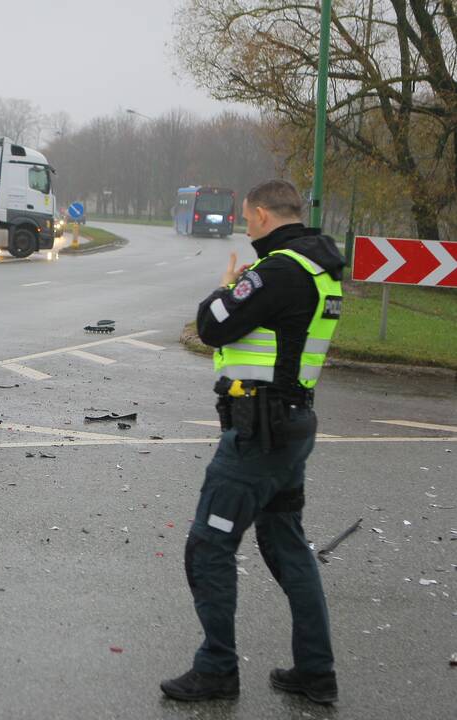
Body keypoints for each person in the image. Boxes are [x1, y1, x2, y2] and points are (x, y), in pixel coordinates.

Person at [160, 180, 345, 705]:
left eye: (247, 219)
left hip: (259, 433)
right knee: (287, 545)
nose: (246, 227)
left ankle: (216, 669)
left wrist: (225, 288)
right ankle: (316, 671)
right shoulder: (320, 270)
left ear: (263, 215)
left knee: (208, 546)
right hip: (292, 424)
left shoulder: (280, 270)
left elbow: (212, 326)